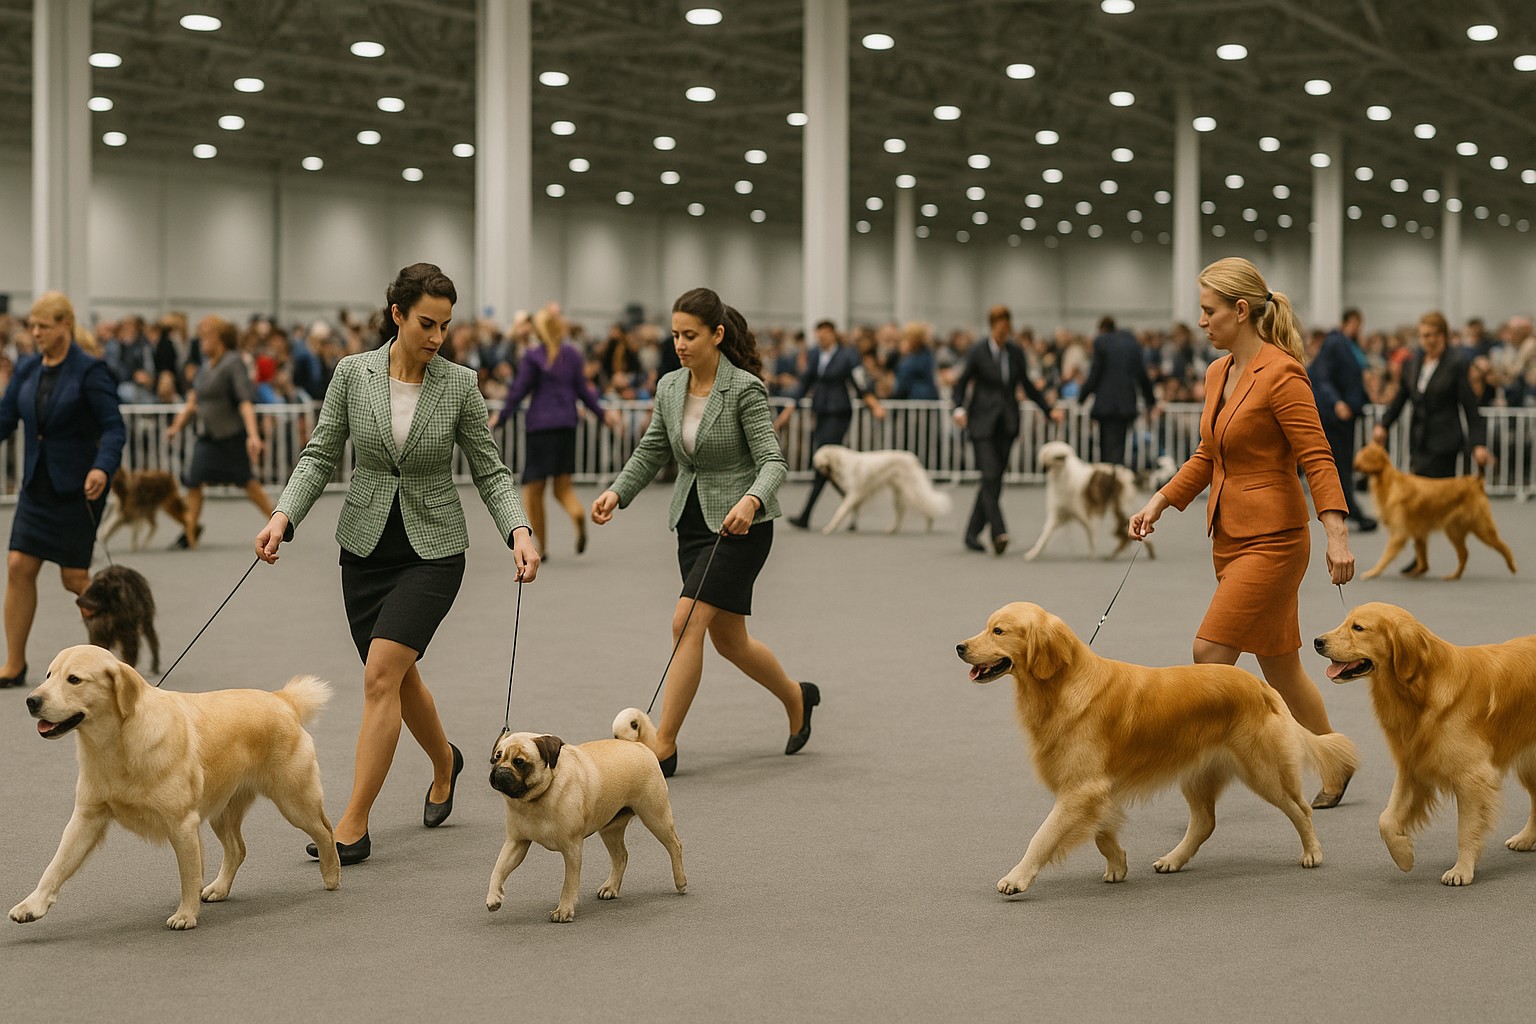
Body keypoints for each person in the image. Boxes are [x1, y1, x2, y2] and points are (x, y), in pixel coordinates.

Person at [255, 263, 540, 865]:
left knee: (381, 676)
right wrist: (284, 515)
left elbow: (488, 468)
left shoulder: (460, 384)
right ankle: (446, 760)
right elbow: (320, 452)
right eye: (426, 324)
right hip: (364, 548)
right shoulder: (352, 374)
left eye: (445, 326)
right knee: (400, 678)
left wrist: (518, 527)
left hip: (434, 550)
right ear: (397, 316)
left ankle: (350, 824)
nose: (437, 337)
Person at [1129, 257, 1356, 809]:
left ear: (1241, 310)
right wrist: (1159, 501)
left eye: (1208, 311)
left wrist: (1337, 534)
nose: (1200, 321)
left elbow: (1317, 457)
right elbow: (1208, 453)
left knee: (1209, 655)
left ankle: (1194, 779)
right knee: (1281, 666)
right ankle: (1337, 761)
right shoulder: (1217, 373)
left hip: (1276, 540)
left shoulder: (1283, 373)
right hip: (1228, 538)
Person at [592, 287, 812, 778]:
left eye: (690, 335)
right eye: (674, 335)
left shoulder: (745, 389)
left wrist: (751, 500)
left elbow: (773, 461)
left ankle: (663, 745)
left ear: (716, 335)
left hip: (742, 526)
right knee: (730, 641)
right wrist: (617, 492)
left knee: (685, 621)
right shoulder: (670, 386)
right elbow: (652, 450)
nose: (680, 344)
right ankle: (798, 697)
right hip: (692, 524)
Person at [0, 292, 125, 688]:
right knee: (19, 566)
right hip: (36, 485)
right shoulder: (27, 369)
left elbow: (113, 428)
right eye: (32, 325)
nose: (35, 333)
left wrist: (102, 468)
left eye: (43, 326)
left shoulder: (90, 371)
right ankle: (14, 663)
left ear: (65, 325)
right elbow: (6, 417)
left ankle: (110, 649)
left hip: (77, 490)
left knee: (74, 579)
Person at [493, 306, 622, 557]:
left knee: (533, 491)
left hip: (539, 428)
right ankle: (578, 514)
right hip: (566, 426)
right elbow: (584, 391)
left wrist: (500, 418)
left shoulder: (532, 356)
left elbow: (518, 391)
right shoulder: (573, 355)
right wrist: (603, 414)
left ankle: (541, 548)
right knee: (563, 488)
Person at [1372, 311, 1491, 573]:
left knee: (1435, 506)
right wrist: (1383, 425)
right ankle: (1421, 560)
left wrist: (1478, 444)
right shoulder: (1412, 363)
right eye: (1422, 336)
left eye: (1430, 336)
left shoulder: (1457, 363)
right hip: (1419, 443)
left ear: (1442, 336)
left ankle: (1446, 555)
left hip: (1445, 444)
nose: (1425, 341)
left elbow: (1470, 407)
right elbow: (1401, 398)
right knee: (1416, 504)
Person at [953, 305, 1065, 554]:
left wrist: (1048, 411)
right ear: (993, 326)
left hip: (1007, 424)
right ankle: (998, 532)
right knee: (991, 475)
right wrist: (959, 410)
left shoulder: (1015, 353)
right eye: (1001, 326)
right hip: (981, 423)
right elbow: (961, 383)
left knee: (993, 480)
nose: (1005, 331)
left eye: (1008, 326)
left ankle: (972, 533)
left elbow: (1026, 384)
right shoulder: (977, 352)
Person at [164, 316, 275, 549]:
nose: (202, 340)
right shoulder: (205, 366)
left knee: (248, 483)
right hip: (207, 437)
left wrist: (253, 435)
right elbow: (193, 401)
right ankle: (189, 530)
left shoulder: (233, 363)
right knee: (194, 481)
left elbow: (245, 401)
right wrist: (176, 427)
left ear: (221, 338)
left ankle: (277, 521)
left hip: (230, 436)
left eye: (207, 335)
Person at [774, 319, 885, 529]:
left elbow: (860, 382)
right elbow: (805, 382)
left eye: (825, 333)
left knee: (823, 464)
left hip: (839, 412)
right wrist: (789, 409)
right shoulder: (815, 354)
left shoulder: (848, 354)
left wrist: (873, 404)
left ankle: (806, 515)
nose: (821, 337)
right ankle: (852, 504)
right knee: (827, 468)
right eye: (819, 334)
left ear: (833, 334)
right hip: (821, 412)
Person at [1310, 308, 1377, 531]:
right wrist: (1337, 402)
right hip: (1336, 415)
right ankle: (1350, 512)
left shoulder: (1348, 345)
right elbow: (1322, 376)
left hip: (1346, 414)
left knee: (1342, 467)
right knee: (1340, 467)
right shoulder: (1336, 343)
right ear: (1351, 322)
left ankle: (1350, 511)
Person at [1077, 315, 1158, 467]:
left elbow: (1095, 373)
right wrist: (1151, 400)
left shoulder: (1101, 342)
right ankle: (1114, 481)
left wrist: (1081, 397)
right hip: (1125, 405)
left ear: (1101, 329)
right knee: (1118, 450)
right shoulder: (1133, 344)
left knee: (1106, 451)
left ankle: (1108, 485)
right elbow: (1142, 375)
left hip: (1105, 405)